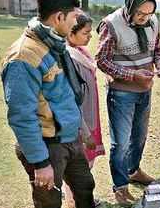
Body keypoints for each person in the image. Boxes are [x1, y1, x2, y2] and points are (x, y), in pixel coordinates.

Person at [1, 0, 95, 208]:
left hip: (70, 139)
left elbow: (66, 93)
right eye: (74, 17)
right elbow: (22, 116)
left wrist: (80, 129)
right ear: (59, 17)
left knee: (84, 188)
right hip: (47, 146)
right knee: (49, 202)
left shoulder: (55, 43)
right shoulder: (22, 57)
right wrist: (41, 163)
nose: (76, 23)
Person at [95, 0, 160, 203]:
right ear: (130, 6)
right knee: (121, 142)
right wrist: (132, 75)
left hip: (145, 91)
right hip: (122, 94)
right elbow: (102, 61)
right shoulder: (111, 24)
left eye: (149, 13)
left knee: (139, 137)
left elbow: (157, 49)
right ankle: (120, 186)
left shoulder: (153, 21)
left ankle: (133, 170)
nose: (145, 18)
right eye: (140, 13)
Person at [64, 13, 105, 208]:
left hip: (90, 116)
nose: (90, 36)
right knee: (79, 166)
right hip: (81, 122)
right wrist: (84, 131)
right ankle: (74, 201)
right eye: (85, 33)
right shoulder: (70, 59)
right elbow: (72, 99)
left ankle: (77, 199)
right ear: (70, 34)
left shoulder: (81, 52)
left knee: (86, 164)